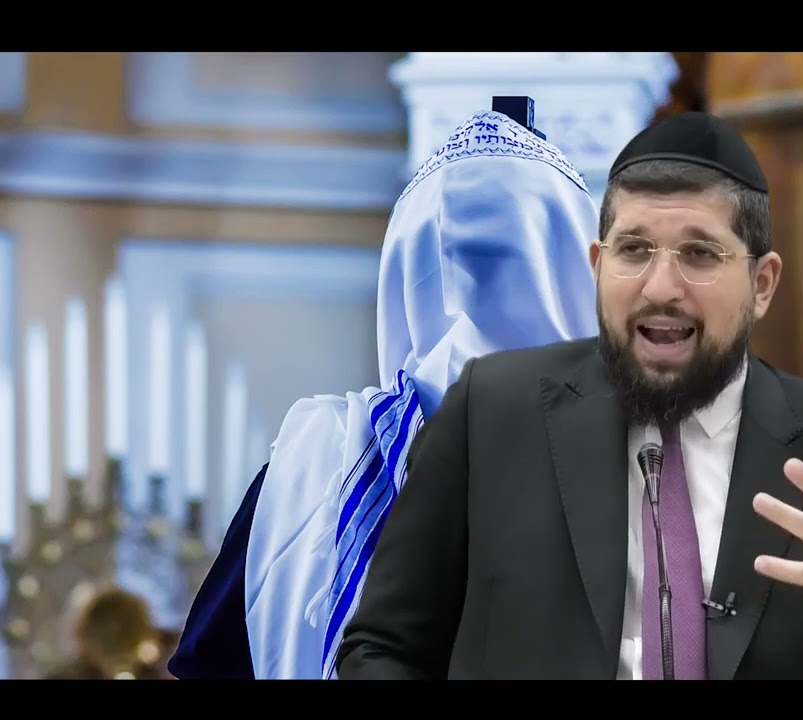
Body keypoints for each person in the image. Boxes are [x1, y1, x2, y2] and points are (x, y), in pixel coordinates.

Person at [337, 111, 803, 680]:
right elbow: (384, 648)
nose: (661, 287)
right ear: (597, 266)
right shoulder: (489, 415)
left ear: (762, 284)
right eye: (634, 250)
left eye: (699, 254)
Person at [166, 109, 601, 679]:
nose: (471, 305)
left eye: (496, 260)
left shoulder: (313, 468)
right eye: (459, 259)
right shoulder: (315, 461)